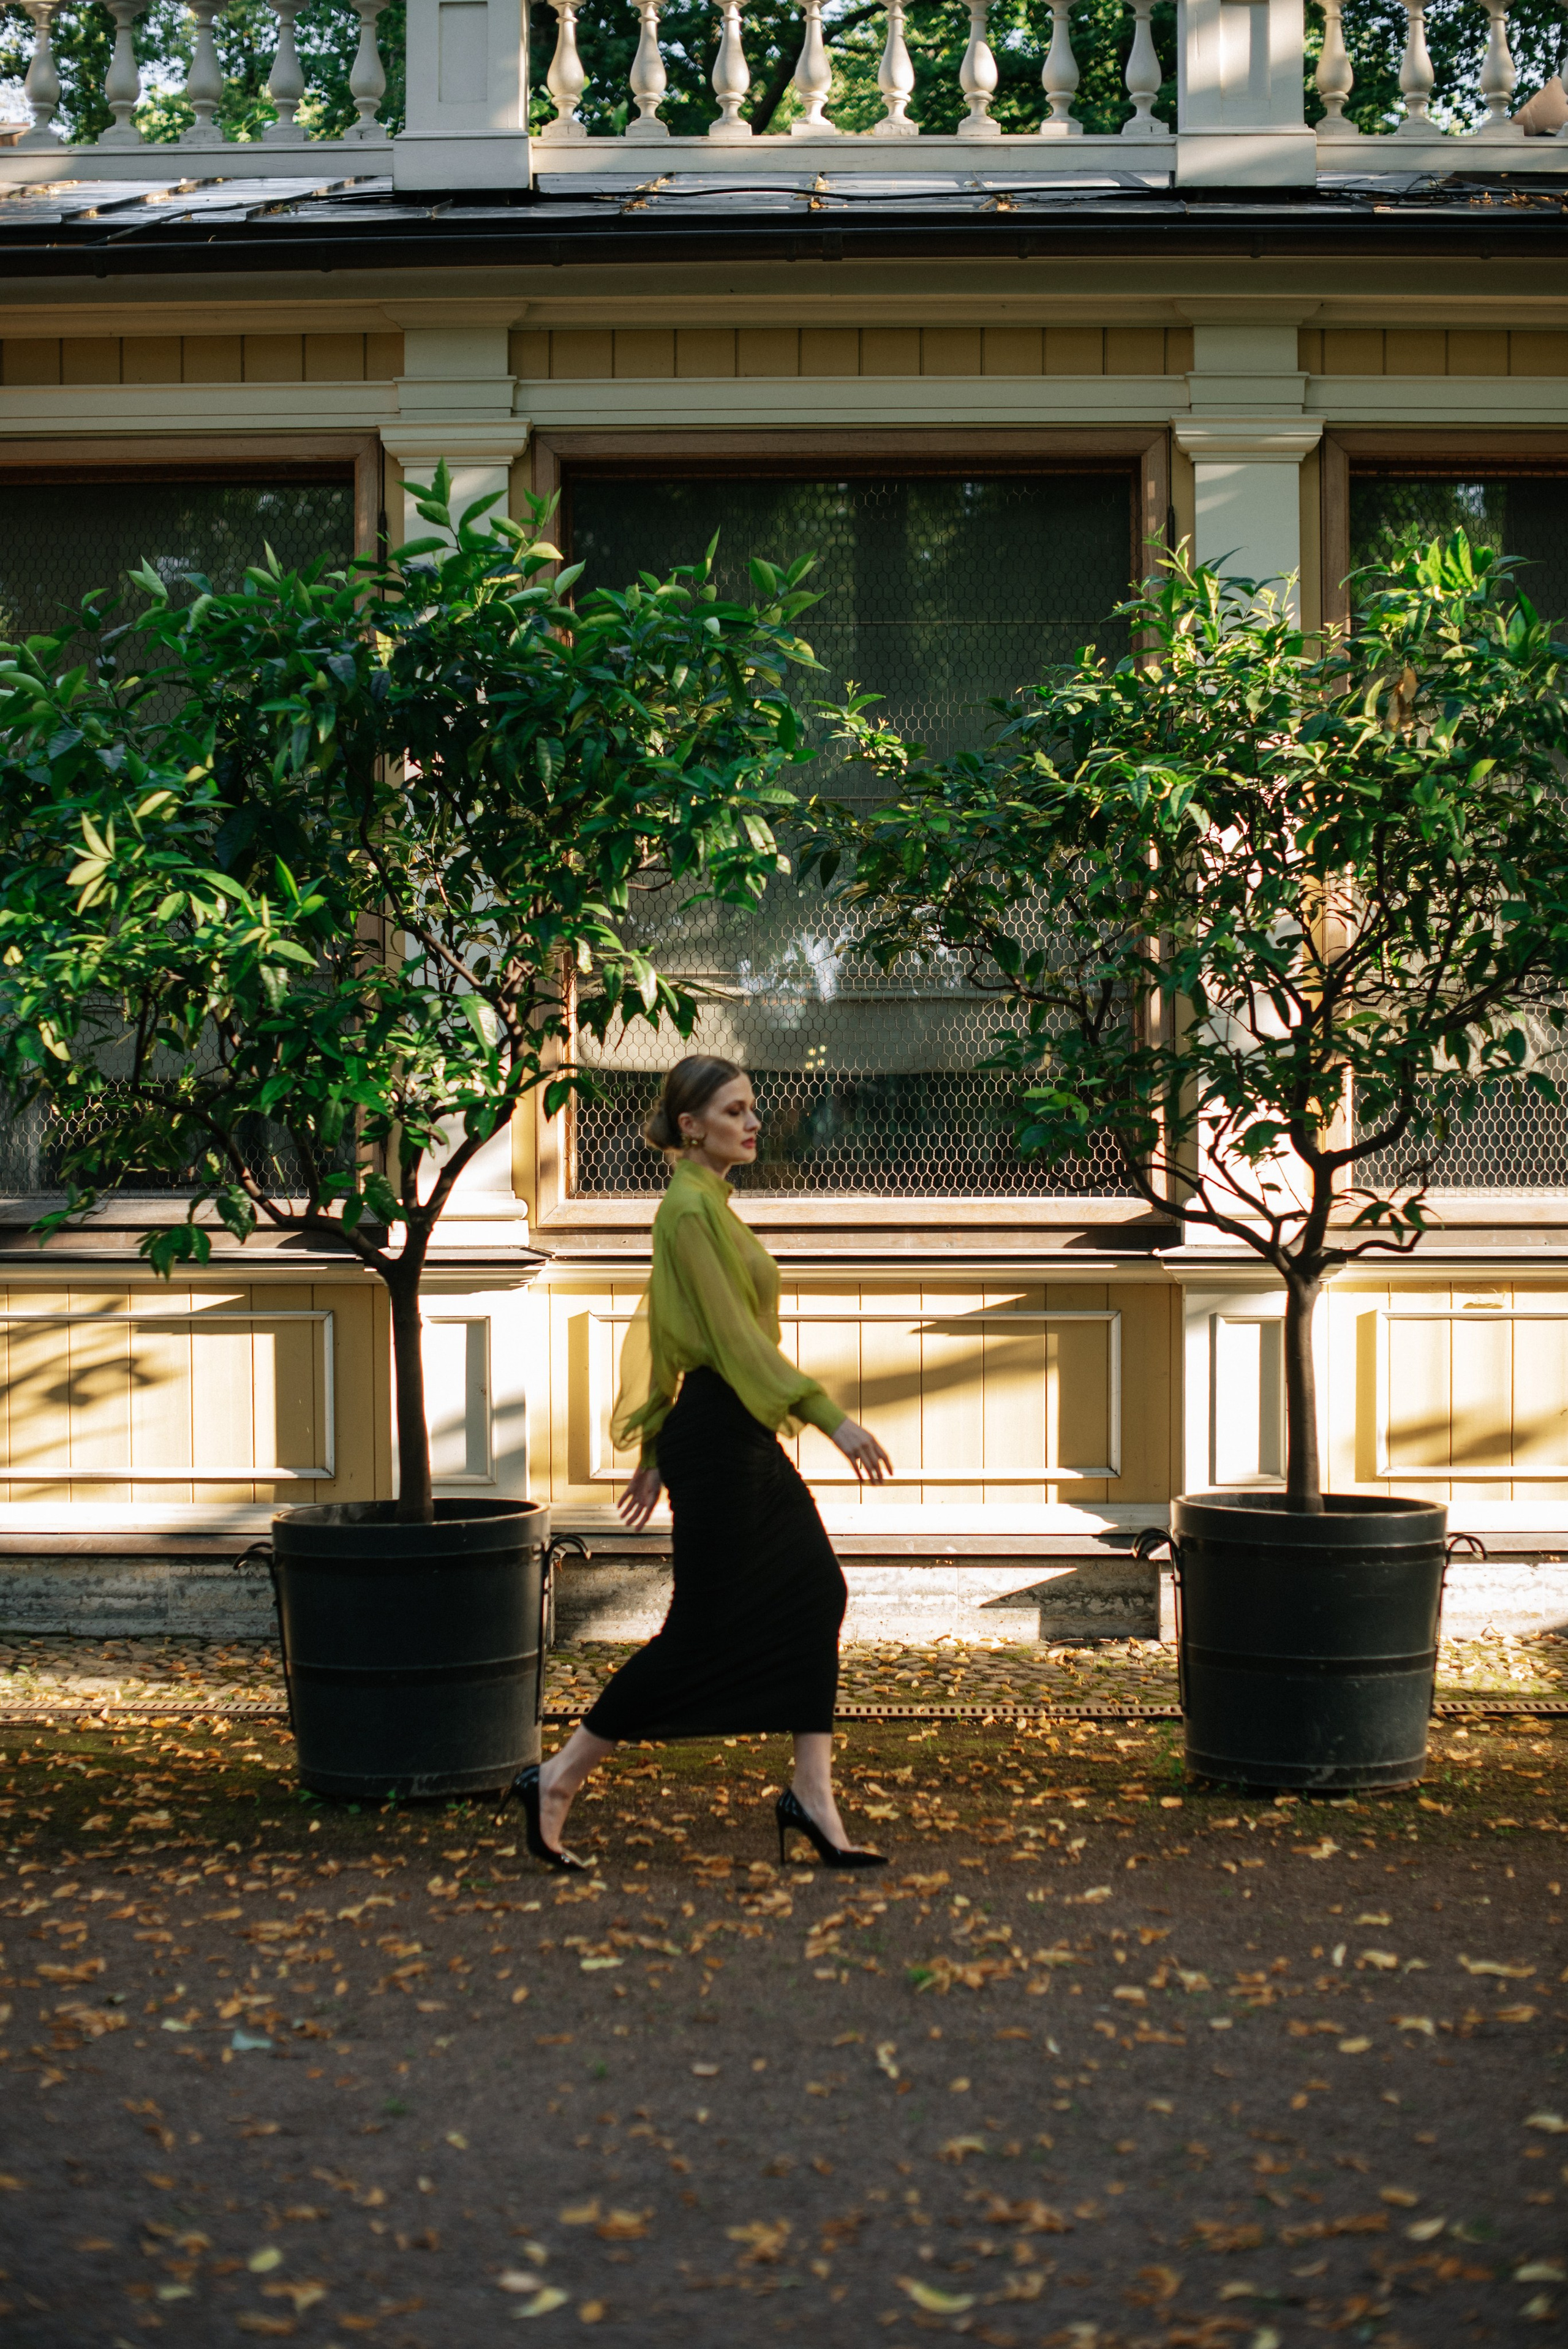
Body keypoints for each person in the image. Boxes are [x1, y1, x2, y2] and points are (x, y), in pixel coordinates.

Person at [507, 1054, 894, 1873]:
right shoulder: (688, 1210)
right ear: (690, 1124)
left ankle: (811, 1793)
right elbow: (726, 1338)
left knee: (814, 1589)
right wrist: (829, 1417)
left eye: (753, 1109)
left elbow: (659, 1324)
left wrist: (653, 1442)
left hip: (723, 1426)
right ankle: (558, 1780)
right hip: (720, 1430)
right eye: (733, 1110)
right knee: (701, 1627)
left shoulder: (708, 1204)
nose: (752, 1123)